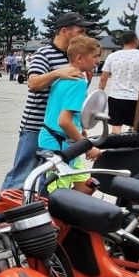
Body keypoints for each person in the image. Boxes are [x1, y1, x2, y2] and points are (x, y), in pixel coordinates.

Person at [0, 11, 92, 190]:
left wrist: (81, 128)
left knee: (53, 180)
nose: (84, 36)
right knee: (21, 176)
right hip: (36, 127)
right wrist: (58, 72)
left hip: (63, 132)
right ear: (64, 31)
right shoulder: (44, 54)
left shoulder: (74, 56)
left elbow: (73, 100)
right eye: (81, 31)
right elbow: (33, 83)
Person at [38, 35, 102, 192]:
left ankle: (71, 213)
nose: (98, 61)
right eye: (95, 56)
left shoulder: (63, 76)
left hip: (65, 143)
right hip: (58, 146)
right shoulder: (77, 82)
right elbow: (64, 121)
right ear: (80, 58)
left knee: (87, 187)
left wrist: (80, 130)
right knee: (58, 197)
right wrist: (86, 146)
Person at [97, 31, 139, 133]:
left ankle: (115, 146)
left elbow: (103, 78)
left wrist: (99, 93)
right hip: (134, 97)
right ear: (136, 41)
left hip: (115, 96)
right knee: (134, 126)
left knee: (116, 126)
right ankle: (131, 145)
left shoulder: (112, 56)